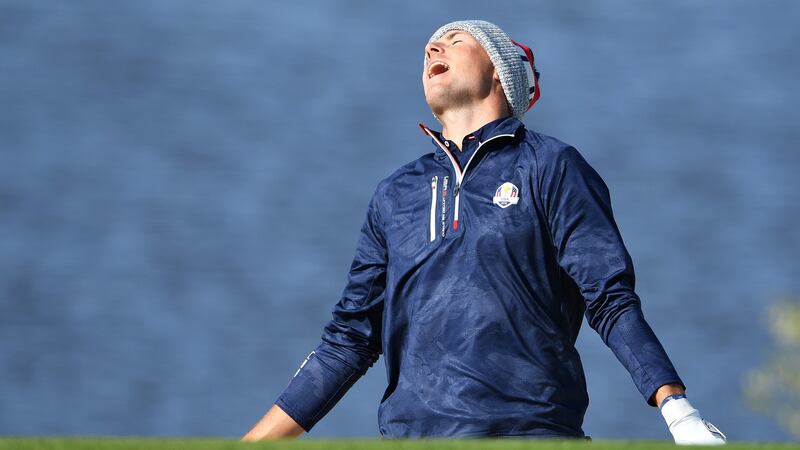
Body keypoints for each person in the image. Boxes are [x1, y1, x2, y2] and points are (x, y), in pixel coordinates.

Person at [242, 20, 726, 444]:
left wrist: (679, 412)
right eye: (429, 47)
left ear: (499, 71)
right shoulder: (394, 194)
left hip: (531, 433)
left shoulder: (551, 166)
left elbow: (609, 298)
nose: (433, 50)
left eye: (454, 40)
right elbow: (346, 342)